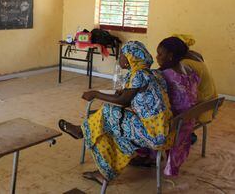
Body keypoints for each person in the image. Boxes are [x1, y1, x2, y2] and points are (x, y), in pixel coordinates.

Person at [58, 41, 173, 184]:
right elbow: (136, 97)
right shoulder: (152, 73)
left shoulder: (138, 75)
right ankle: (102, 170)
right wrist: (123, 93)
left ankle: (82, 132)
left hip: (152, 133)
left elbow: (124, 100)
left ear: (131, 57)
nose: (120, 59)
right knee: (110, 122)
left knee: (107, 114)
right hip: (162, 128)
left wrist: (96, 94)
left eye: (122, 55)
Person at [156, 37, 200, 176]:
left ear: (170, 56)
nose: (157, 57)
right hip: (188, 120)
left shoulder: (166, 74)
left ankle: (146, 155)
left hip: (175, 123)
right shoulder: (189, 71)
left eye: (160, 54)